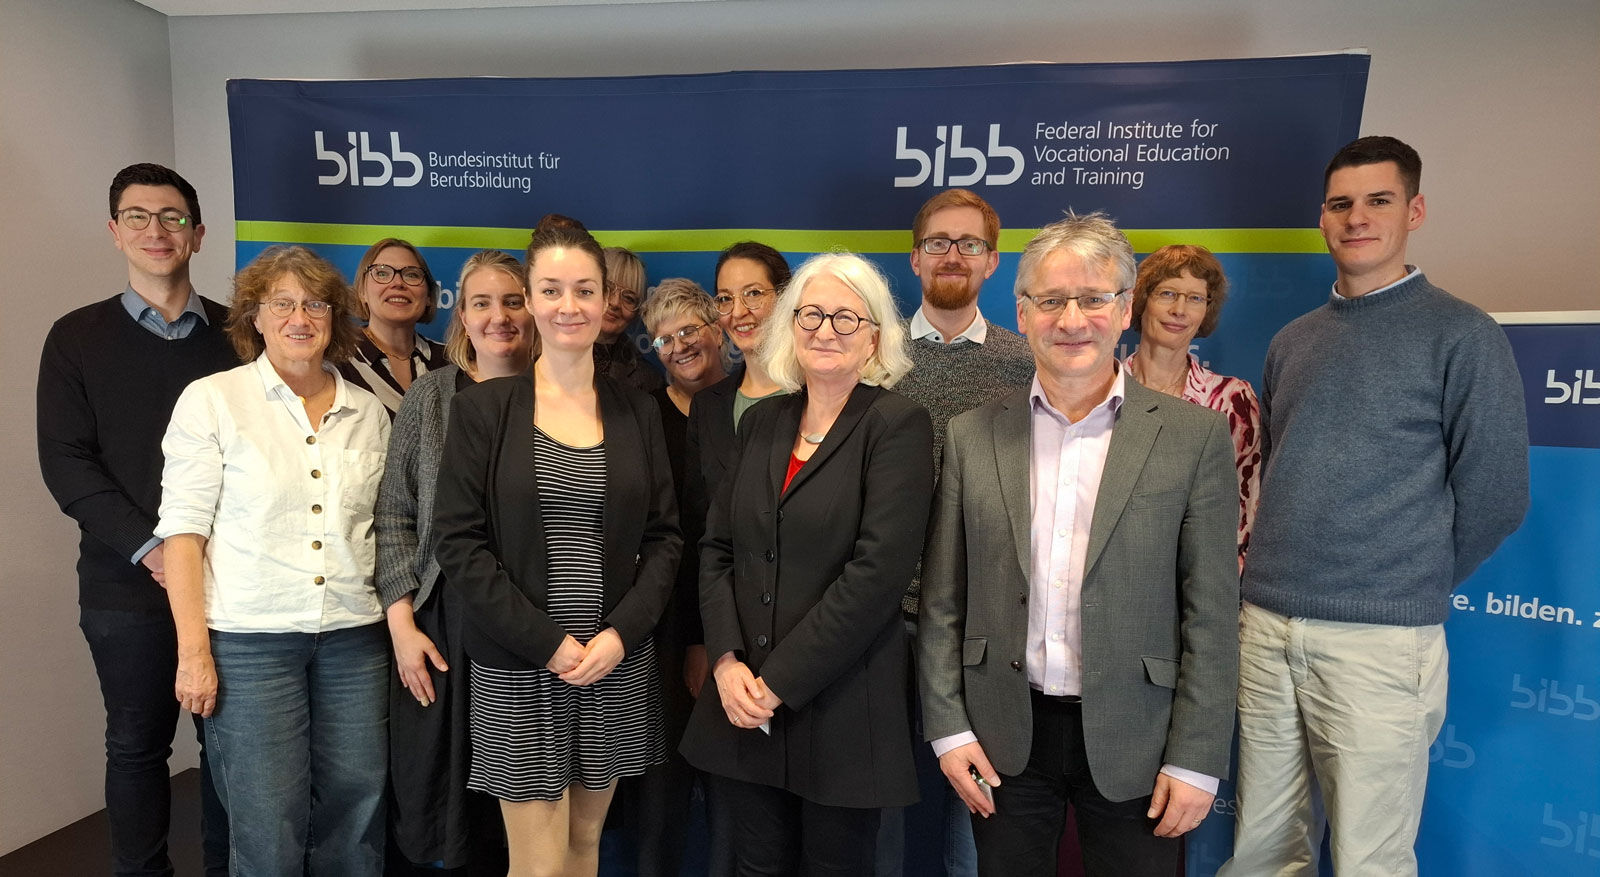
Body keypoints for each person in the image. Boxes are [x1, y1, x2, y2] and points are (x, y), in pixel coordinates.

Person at [1219, 136, 1530, 877]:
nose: (1358, 217)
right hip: (1265, 627)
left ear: (1414, 210)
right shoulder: (1293, 341)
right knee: (1262, 849)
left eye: (1378, 201)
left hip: (1379, 642)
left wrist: (1400, 578)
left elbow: (1496, 496)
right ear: (1323, 219)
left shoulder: (1464, 335)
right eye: (1341, 203)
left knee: (1368, 859)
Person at [916, 212, 1239, 877]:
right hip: (1004, 734)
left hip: (1141, 737)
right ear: (1023, 310)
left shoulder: (1192, 438)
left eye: (1093, 299)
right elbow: (944, 598)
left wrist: (1196, 756)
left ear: (1124, 309)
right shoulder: (972, 436)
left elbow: (1211, 611)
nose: (1072, 319)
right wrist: (948, 728)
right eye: (1052, 300)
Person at [431, 224, 681, 877]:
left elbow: (664, 537)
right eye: (551, 289)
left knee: (584, 848)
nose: (568, 305)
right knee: (538, 865)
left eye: (584, 289)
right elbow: (458, 542)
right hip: (520, 666)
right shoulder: (485, 410)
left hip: (613, 662)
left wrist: (621, 635)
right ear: (532, 300)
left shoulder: (638, 410)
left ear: (605, 301)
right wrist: (547, 641)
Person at [681, 252, 934, 876]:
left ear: (875, 336)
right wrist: (725, 659)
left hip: (842, 709)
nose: (825, 330)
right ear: (789, 328)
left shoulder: (897, 424)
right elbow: (716, 550)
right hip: (742, 704)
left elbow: (877, 575)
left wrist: (777, 683)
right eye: (811, 314)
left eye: (846, 318)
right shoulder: (763, 421)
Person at [156, 245, 392, 875]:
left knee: (358, 813)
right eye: (281, 303)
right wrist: (193, 653)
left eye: (315, 303)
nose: (300, 317)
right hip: (250, 643)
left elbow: (386, 530)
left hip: (354, 639)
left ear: (335, 317)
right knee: (267, 825)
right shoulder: (212, 401)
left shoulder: (369, 412)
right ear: (254, 317)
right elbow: (182, 536)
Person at [36, 162, 233, 877]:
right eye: (140, 217)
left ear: (198, 234)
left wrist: (206, 560)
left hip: (231, 585)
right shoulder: (75, 339)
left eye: (174, 217)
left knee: (231, 749)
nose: (158, 230)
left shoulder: (240, 337)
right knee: (138, 745)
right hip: (127, 591)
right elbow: (68, 466)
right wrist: (157, 552)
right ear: (115, 231)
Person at [885, 188, 1034, 877]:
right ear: (915, 258)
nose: (953, 254)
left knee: (974, 825)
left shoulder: (1026, 363)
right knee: (885, 821)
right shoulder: (872, 357)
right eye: (939, 242)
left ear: (993, 261)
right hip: (882, 623)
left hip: (984, 625)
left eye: (969, 243)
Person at [377, 250, 535, 873]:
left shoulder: (567, 396)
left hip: (535, 626)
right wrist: (402, 625)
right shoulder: (431, 397)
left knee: (524, 805)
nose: (499, 317)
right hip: (441, 626)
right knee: (441, 807)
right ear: (460, 318)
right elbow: (394, 516)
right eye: (482, 303)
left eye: (513, 300)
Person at [680, 241, 792, 876]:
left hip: (809, 645)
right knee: (743, 839)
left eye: (755, 293)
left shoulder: (824, 391)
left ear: (785, 298)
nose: (740, 309)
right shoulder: (711, 406)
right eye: (726, 297)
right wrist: (705, 643)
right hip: (731, 649)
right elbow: (703, 533)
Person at [611, 277, 728, 876]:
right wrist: (684, 640)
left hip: (738, 632)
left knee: (738, 815)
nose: (679, 345)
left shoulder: (752, 408)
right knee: (659, 803)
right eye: (663, 339)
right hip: (655, 633)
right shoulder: (641, 416)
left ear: (717, 330)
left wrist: (711, 641)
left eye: (690, 330)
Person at [1123, 245, 1261, 564]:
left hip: (1199, 579)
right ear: (1141, 301)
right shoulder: (1102, 391)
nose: (1180, 310)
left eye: (1195, 298)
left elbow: (1244, 513)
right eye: (1168, 293)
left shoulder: (1231, 399)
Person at [340, 237, 449, 416]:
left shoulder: (450, 361)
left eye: (412, 274)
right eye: (382, 273)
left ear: (429, 296)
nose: (398, 283)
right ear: (361, 292)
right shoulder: (337, 360)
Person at [596, 246, 666, 393]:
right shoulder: (543, 355)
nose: (615, 303)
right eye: (607, 288)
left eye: (629, 298)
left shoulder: (649, 382)